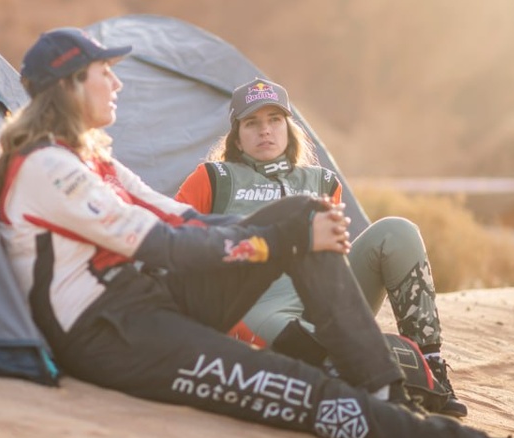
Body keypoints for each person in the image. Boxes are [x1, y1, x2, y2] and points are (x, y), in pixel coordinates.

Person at [0, 26, 514, 438]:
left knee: (301, 211)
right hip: (114, 336)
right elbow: (160, 243)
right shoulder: (46, 168)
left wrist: (286, 232)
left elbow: (180, 218)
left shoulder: (90, 158)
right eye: (103, 72)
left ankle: (385, 394)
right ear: (69, 85)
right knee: (303, 391)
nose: (116, 82)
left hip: (150, 299)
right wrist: (276, 244)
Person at [175, 77, 468, 416]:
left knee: (397, 232)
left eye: (274, 120)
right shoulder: (213, 178)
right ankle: (363, 371)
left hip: (326, 301)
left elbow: (336, 257)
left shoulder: (323, 181)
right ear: (237, 137)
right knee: (294, 340)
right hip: (257, 306)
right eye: (252, 123)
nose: (265, 130)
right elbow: (176, 242)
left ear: (289, 128)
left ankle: (431, 366)